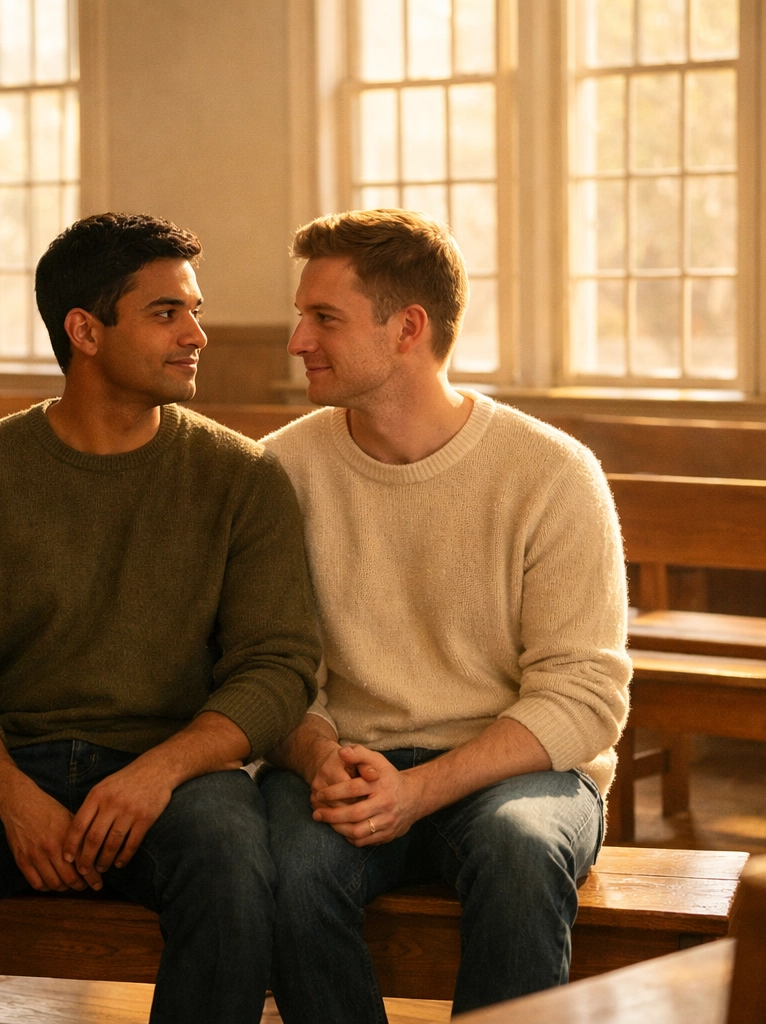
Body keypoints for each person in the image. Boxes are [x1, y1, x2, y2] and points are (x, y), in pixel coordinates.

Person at [0, 213, 321, 1024]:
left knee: (233, 864)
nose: (197, 335)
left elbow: (278, 665)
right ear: (84, 329)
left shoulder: (241, 476)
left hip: (175, 776)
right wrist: (13, 797)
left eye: (195, 310)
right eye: (165, 313)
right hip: (7, 768)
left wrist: (160, 772)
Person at [261, 208, 630, 1018]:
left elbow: (585, 696)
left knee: (522, 850)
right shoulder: (280, 471)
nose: (296, 340)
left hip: (513, 773)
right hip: (345, 762)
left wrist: (420, 789)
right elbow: (268, 667)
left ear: (408, 328)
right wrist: (317, 752)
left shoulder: (552, 473)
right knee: (284, 868)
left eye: (323, 317)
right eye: (301, 316)